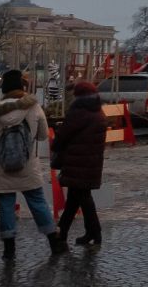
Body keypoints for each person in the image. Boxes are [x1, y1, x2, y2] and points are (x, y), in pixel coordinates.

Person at [0, 69, 65, 258]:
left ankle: (9, 248)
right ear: (22, 87)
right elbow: (41, 135)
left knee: (6, 204)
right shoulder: (32, 107)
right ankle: (53, 241)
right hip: (28, 163)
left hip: (3, 165)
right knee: (37, 201)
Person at [52, 80, 107, 248]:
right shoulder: (98, 112)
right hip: (91, 163)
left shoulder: (79, 112)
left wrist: (55, 142)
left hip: (77, 163)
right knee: (75, 199)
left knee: (81, 197)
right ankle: (66, 232)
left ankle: (92, 232)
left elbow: (64, 135)